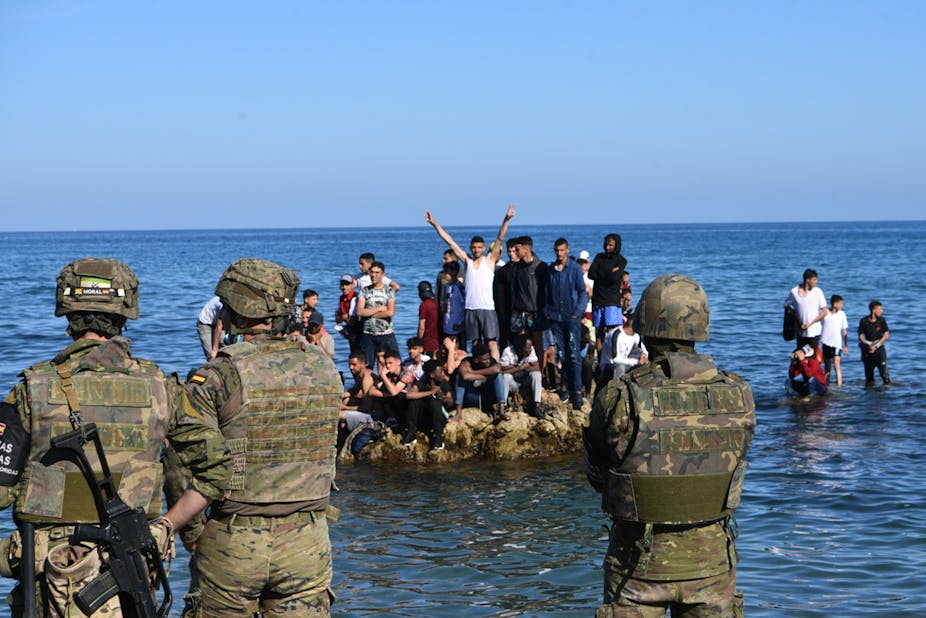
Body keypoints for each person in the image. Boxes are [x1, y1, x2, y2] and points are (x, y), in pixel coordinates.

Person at [1, 258, 224, 617]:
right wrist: (167, 526)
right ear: (125, 314)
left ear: (67, 313)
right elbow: (218, 470)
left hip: (52, 574)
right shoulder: (162, 388)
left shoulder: (32, 389)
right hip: (133, 564)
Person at [162, 258, 342, 616]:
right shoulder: (323, 365)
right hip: (308, 539)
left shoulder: (218, 375)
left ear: (235, 314)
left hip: (233, 539)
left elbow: (182, 465)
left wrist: (190, 534)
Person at [584, 274, 756, 617]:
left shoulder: (621, 396)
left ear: (646, 325)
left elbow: (600, 476)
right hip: (712, 566)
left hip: (637, 568)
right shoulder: (739, 394)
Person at [425, 205, 516, 360]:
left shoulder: (490, 260)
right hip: (470, 309)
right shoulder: (467, 261)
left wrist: (506, 219)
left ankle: (495, 370)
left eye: (479, 247)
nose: (476, 250)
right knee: (475, 343)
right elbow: (450, 242)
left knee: (492, 342)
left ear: (484, 248)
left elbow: (500, 238)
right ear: (471, 248)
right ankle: (477, 372)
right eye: (474, 247)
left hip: (487, 308)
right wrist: (435, 224)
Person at [544, 237, 589, 410]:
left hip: (571, 318)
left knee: (574, 355)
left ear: (568, 250)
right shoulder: (551, 270)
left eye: (562, 250)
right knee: (561, 355)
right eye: (557, 250)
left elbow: (582, 292)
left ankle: (577, 392)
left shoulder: (575, 269)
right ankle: (565, 389)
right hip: (556, 318)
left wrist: (577, 313)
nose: (559, 253)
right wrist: (548, 312)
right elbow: (547, 293)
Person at [509, 236, 548, 375]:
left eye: (518, 249)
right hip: (519, 311)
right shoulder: (516, 268)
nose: (515, 251)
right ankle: (522, 373)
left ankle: (541, 375)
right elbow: (513, 291)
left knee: (538, 344)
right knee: (521, 343)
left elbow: (546, 290)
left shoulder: (540, 266)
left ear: (527, 248)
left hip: (536, 311)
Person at [588, 233, 628, 354]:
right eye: (606, 244)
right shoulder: (599, 257)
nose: (607, 247)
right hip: (598, 299)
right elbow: (591, 274)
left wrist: (601, 272)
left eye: (610, 245)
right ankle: (601, 362)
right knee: (599, 332)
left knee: (612, 332)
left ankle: (612, 358)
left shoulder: (621, 260)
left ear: (616, 246)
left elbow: (614, 278)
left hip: (612, 300)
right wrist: (608, 272)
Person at [356, 260, 399, 370]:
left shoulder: (389, 290)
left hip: (385, 333)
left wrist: (369, 313)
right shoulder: (364, 291)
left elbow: (390, 312)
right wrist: (379, 309)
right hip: (368, 333)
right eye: (372, 272)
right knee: (368, 366)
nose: (373, 275)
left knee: (390, 364)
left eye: (377, 272)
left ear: (383, 274)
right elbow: (359, 312)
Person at [455, 341, 510, 422]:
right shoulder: (467, 361)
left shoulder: (491, 361)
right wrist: (488, 374)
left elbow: (497, 369)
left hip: (488, 395)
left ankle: (501, 410)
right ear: (477, 360)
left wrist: (473, 372)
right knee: (459, 377)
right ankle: (458, 413)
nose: (488, 361)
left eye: (488, 358)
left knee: (498, 376)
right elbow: (465, 376)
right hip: (472, 397)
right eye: (485, 359)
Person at [597, 315, 648, 393]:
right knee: (620, 367)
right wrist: (636, 362)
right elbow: (615, 359)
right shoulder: (617, 334)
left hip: (625, 362)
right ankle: (617, 392)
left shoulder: (635, 335)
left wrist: (644, 354)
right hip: (610, 365)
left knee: (646, 364)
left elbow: (642, 348)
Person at [499, 336, 544, 419]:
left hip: (525, 379)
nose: (530, 350)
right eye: (527, 348)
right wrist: (520, 367)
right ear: (520, 348)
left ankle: (536, 405)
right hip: (513, 382)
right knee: (505, 377)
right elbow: (502, 372)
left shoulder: (531, 350)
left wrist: (512, 368)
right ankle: (503, 405)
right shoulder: (507, 352)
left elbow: (537, 367)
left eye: (530, 347)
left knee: (536, 374)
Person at [784, 268, 828, 353]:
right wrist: (796, 320)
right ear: (807, 280)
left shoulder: (818, 292)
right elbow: (786, 305)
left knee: (812, 358)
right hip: (801, 332)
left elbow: (825, 311)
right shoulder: (794, 292)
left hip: (815, 331)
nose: (817, 282)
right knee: (801, 358)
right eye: (815, 279)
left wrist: (810, 323)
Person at [858, 300, 891, 387]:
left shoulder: (882, 320)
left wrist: (877, 345)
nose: (882, 311)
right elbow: (861, 335)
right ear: (873, 310)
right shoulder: (863, 321)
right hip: (868, 351)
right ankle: (869, 399)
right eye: (880, 309)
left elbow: (887, 335)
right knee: (869, 380)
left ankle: (886, 397)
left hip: (879, 350)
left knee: (885, 377)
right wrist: (868, 344)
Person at [820, 294, 849, 386]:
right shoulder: (825, 313)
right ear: (835, 304)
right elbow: (818, 327)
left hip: (836, 344)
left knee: (837, 364)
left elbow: (844, 331)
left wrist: (845, 345)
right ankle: (826, 385)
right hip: (825, 342)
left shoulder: (842, 314)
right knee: (827, 366)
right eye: (841, 303)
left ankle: (839, 385)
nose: (842, 305)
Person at [335, 274, 362, 354]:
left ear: (352, 285)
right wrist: (343, 317)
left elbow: (352, 320)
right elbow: (337, 317)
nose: (344, 287)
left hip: (359, 332)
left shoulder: (356, 297)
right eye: (342, 284)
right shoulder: (342, 298)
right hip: (351, 331)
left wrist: (342, 317)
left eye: (347, 284)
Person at [416, 281, 441, 358]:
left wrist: (418, 341)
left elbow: (422, 327)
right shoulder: (437, 303)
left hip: (428, 342)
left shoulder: (424, 305)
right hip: (439, 340)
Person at [197, 294, 225, 360]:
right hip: (205, 324)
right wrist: (214, 351)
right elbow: (219, 328)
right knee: (211, 354)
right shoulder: (222, 304)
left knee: (224, 345)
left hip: (219, 322)